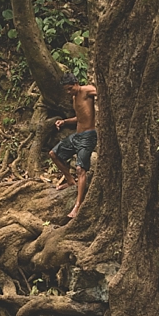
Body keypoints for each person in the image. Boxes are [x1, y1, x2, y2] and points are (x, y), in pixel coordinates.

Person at [49, 72, 98, 218]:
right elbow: (80, 117)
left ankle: (78, 205)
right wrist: (64, 122)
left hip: (88, 136)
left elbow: (103, 93)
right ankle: (70, 182)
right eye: (67, 90)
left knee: (80, 169)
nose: (69, 92)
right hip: (77, 136)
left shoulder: (87, 90)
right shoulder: (75, 97)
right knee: (53, 154)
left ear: (76, 83)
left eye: (70, 88)